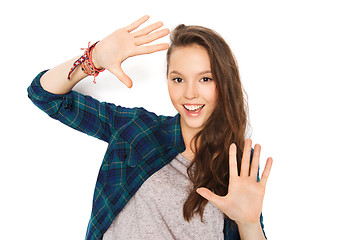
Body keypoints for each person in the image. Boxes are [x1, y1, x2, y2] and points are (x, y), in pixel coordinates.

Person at [28, 15, 273, 240]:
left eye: (205, 79)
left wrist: (250, 223)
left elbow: (247, 222)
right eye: (178, 79)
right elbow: (44, 96)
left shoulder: (237, 163)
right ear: (167, 78)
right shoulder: (137, 129)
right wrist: (94, 58)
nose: (190, 93)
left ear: (224, 82)